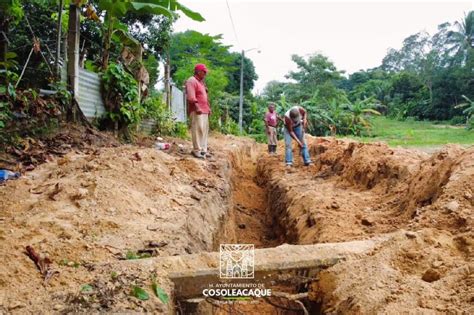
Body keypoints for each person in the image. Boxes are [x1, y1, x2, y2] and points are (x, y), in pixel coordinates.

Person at [185, 64, 211, 159]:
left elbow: (204, 97)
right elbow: (191, 96)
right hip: (197, 110)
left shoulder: (201, 83)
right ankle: (197, 150)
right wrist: (197, 107)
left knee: (204, 131)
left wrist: (208, 108)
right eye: (204, 72)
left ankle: (203, 150)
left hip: (204, 110)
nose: (205, 74)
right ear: (198, 71)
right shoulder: (192, 80)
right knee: (197, 129)